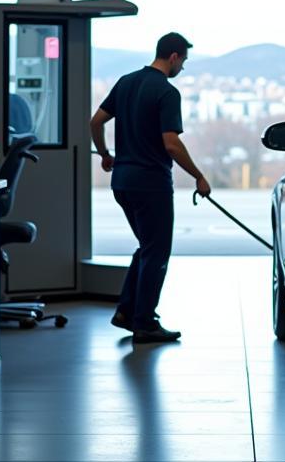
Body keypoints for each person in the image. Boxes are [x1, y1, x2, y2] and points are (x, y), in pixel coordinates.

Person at [90, 32, 211, 344]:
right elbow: (171, 144)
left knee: (146, 246)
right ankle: (145, 323)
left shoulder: (126, 82)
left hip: (122, 182)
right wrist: (198, 176)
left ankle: (126, 312)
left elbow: (95, 122)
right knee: (156, 251)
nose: (182, 68)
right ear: (173, 57)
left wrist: (105, 154)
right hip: (151, 185)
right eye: (183, 61)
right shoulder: (166, 92)